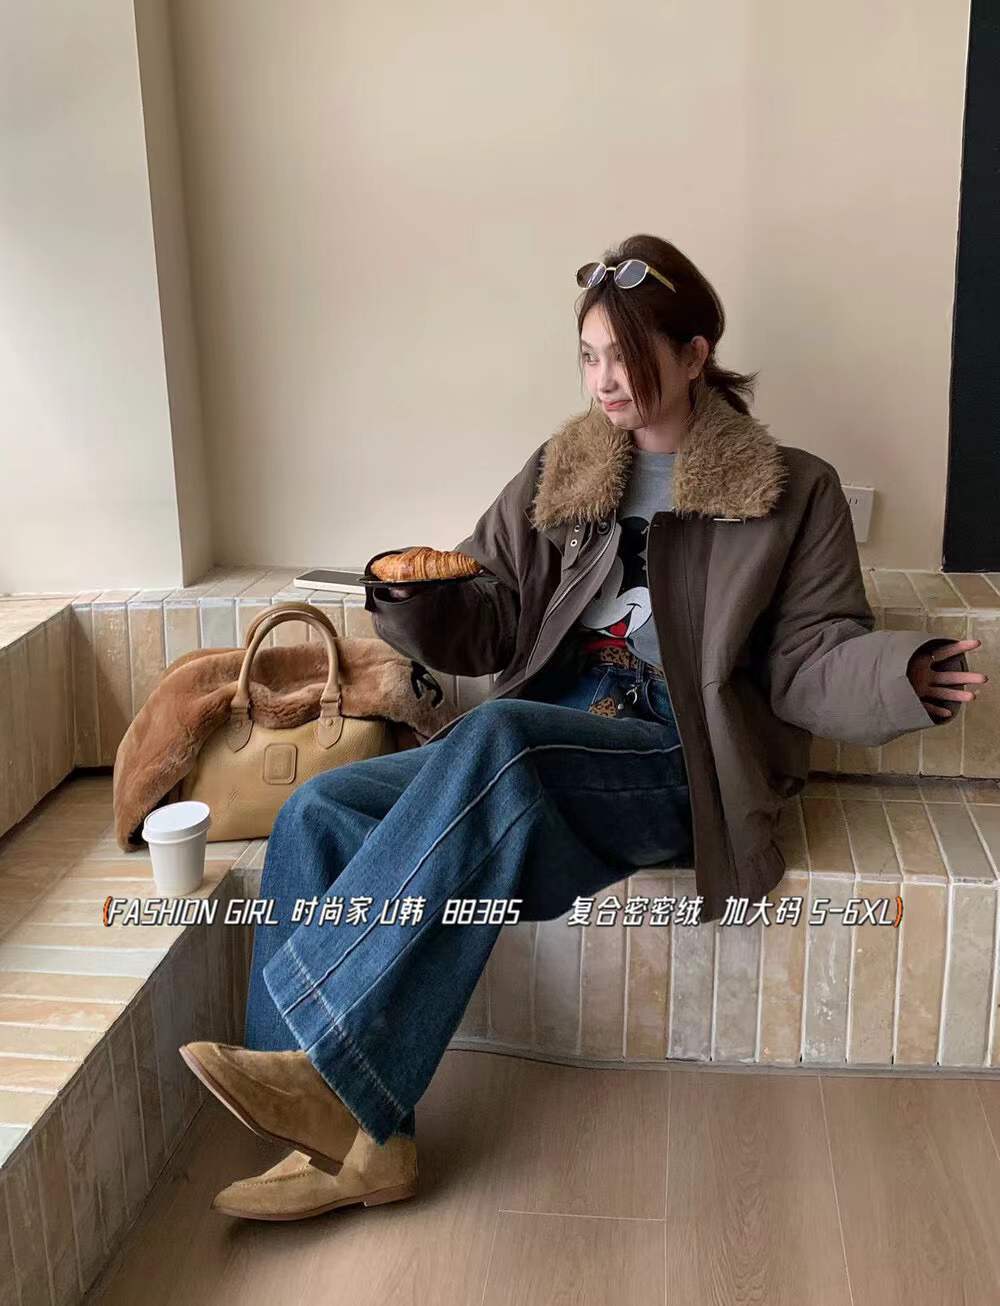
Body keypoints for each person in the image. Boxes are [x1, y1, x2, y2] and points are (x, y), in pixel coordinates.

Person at [179, 233, 988, 1222]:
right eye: (590, 356)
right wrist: (411, 598)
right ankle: (350, 1138)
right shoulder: (560, 472)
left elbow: (809, 657)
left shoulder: (792, 489)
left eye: (627, 357)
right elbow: (488, 615)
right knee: (319, 810)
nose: (605, 380)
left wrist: (898, 675)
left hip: (678, 757)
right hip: (547, 746)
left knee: (502, 741)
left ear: (694, 355)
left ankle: (324, 1073)